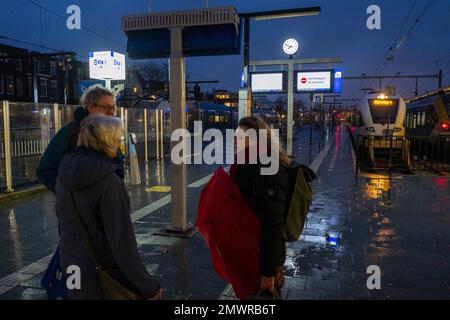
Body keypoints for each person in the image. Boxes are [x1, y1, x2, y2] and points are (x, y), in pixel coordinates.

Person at [56, 114, 161, 300]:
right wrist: (148, 286)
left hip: (71, 263)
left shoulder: (65, 168)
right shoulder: (108, 180)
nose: (120, 143)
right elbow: (121, 241)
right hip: (101, 270)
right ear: (107, 140)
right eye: (118, 139)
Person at [230, 116, 291, 297]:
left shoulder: (269, 171)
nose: (235, 141)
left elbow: (272, 226)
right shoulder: (244, 166)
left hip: (264, 260)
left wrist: (267, 273)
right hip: (249, 252)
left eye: (241, 137)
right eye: (235, 136)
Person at [37, 85, 124, 193]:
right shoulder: (70, 133)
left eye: (113, 107)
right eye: (106, 107)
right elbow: (45, 169)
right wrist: (68, 194)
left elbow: (118, 163)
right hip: (79, 208)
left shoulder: (109, 132)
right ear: (90, 107)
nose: (111, 112)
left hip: (108, 201)